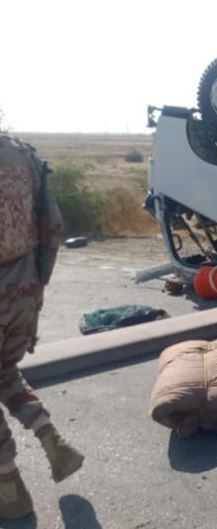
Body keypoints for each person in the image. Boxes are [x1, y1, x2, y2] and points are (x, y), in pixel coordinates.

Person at [0, 134, 84, 519]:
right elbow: (52, 227)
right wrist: (36, 286)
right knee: (5, 372)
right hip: (24, 288)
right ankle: (53, 440)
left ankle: (8, 489)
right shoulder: (23, 154)